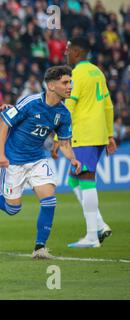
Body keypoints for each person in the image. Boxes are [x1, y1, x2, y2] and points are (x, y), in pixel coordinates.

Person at [0, 66, 81, 259]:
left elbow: (64, 143)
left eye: (70, 82)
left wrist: (72, 158)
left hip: (37, 158)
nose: (70, 86)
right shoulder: (31, 102)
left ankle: (40, 247)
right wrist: (1, 155)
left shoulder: (63, 114)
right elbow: (4, 124)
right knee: (13, 209)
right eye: (65, 82)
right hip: (12, 159)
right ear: (51, 85)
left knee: (50, 200)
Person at [51, 37, 116, 248]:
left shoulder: (76, 74)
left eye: (68, 50)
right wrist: (109, 135)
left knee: (86, 179)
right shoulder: (98, 72)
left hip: (84, 134)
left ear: (77, 52)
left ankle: (92, 236)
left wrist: (56, 138)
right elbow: (108, 106)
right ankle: (99, 224)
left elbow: (69, 106)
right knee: (74, 180)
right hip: (97, 134)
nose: (66, 54)